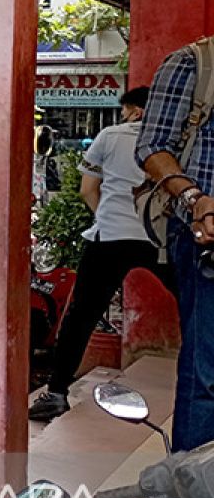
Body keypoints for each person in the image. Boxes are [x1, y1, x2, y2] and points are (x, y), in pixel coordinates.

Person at [31, 87, 163, 422]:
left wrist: (104, 216)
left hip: (110, 237)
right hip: (160, 238)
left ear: (133, 109)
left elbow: (88, 189)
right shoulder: (171, 136)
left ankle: (57, 394)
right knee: (195, 309)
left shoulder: (110, 136)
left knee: (81, 317)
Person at [138, 40, 214, 452]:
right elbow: (152, 147)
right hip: (203, 235)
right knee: (207, 371)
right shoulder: (192, 63)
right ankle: (194, 490)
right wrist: (194, 199)